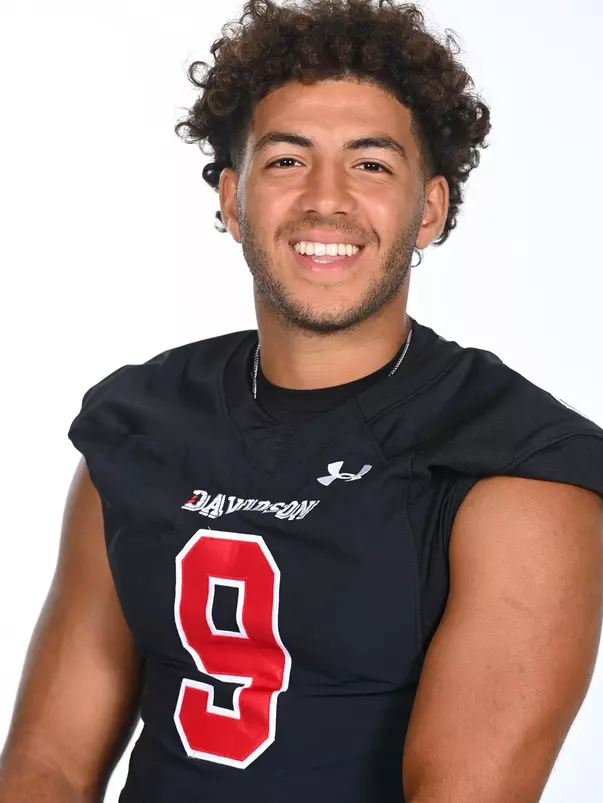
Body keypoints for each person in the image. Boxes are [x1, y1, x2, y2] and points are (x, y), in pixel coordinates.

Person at [2, 0, 603, 801]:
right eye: (286, 161)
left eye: (370, 164)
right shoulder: (137, 423)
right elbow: (47, 765)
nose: (327, 199)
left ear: (429, 209)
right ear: (231, 197)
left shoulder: (520, 466)